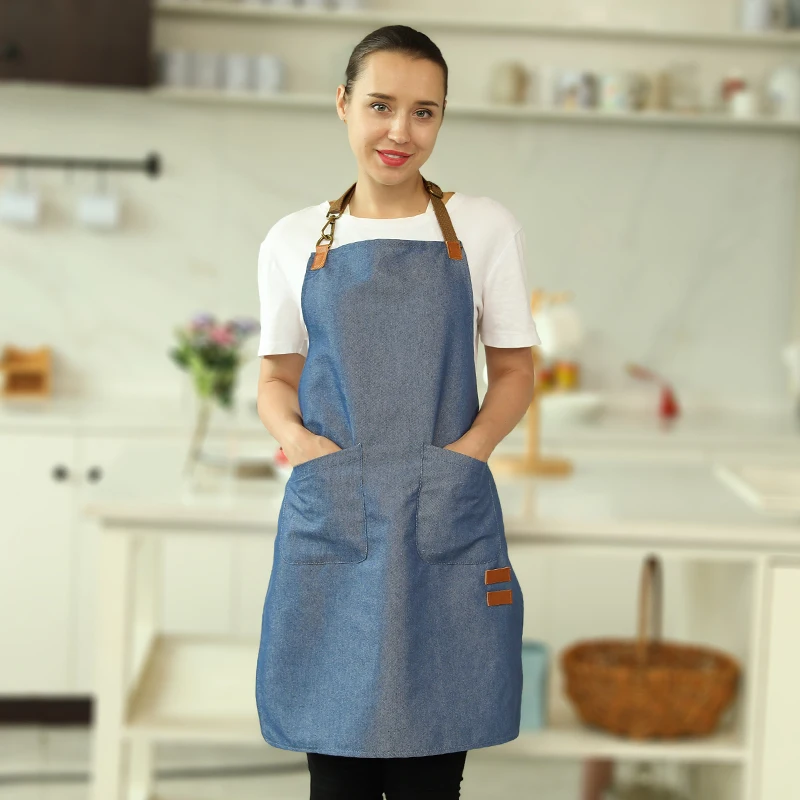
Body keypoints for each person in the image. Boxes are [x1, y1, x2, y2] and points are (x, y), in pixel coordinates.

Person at [254, 24, 541, 800]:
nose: (400, 132)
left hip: (440, 512)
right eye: (381, 105)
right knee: (336, 772)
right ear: (343, 104)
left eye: (424, 112)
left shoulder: (484, 228)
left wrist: (468, 454)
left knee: (432, 774)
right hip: (336, 515)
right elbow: (275, 376)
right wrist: (296, 441)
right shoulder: (292, 240)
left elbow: (515, 369)